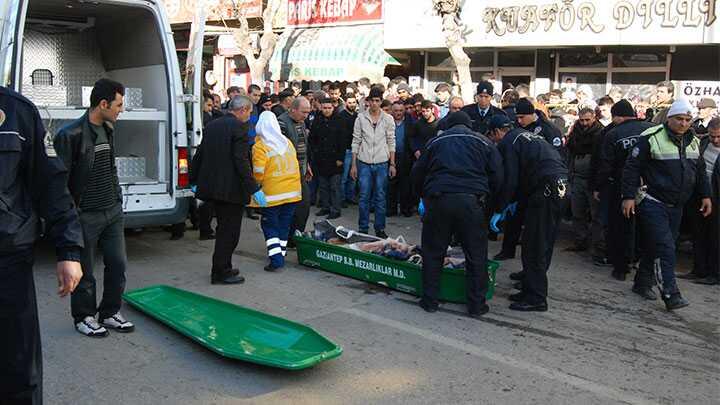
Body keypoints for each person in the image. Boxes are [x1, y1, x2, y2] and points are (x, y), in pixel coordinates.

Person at [0, 86, 84, 404]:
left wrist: (69, 250)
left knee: (19, 371)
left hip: (7, 264)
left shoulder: (16, 111)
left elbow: (51, 184)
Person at [53, 79, 134, 337]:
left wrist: (117, 199)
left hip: (112, 212)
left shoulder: (108, 128)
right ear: (103, 104)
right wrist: (71, 217)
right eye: (118, 105)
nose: (121, 109)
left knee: (117, 265)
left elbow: (109, 167)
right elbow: (61, 184)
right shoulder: (70, 135)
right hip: (85, 215)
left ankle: (109, 312)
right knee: (85, 272)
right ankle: (84, 316)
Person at [622, 99, 712, 310]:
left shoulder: (694, 142)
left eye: (688, 119)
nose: (683, 123)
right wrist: (627, 197)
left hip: (677, 205)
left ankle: (642, 283)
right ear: (669, 118)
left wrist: (706, 196)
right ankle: (671, 293)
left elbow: (699, 173)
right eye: (679, 119)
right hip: (653, 201)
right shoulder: (651, 138)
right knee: (666, 247)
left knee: (658, 245)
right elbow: (631, 168)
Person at [412, 111, 503, 317]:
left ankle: (429, 301)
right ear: (468, 125)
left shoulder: (435, 142)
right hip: (471, 203)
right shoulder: (484, 142)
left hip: (439, 200)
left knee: (434, 252)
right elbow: (498, 175)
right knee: (476, 255)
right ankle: (476, 305)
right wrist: (493, 207)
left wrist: (422, 198)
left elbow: (417, 172)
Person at [487, 114, 569, 312]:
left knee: (534, 244)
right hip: (559, 186)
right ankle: (530, 285)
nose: (494, 141)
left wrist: (499, 208)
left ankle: (536, 297)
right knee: (542, 242)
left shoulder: (509, 141)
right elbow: (526, 175)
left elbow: (511, 180)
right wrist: (516, 202)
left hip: (546, 190)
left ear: (497, 132)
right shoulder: (525, 135)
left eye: (492, 136)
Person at [191, 96, 264, 285]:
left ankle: (224, 266)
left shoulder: (213, 125)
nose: (249, 116)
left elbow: (200, 153)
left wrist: (193, 179)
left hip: (213, 186)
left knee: (224, 229)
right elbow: (241, 161)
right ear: (243, 110)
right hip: (231, 190)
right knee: (229, 233)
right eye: (249, 112)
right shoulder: (239, 127)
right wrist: (254, 188)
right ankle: (221, 271)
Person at [594, 100, 655, 282]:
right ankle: (640, 263)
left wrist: (598, 186)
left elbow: (605, 165)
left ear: (617, 117)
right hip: (650, 186)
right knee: (645, 227)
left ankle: (621, 267)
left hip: (620, 187)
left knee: (620, 227)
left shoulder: (613, 133)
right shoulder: (652, 129)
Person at [250, 112, 302, 271]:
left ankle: (276, 259)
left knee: (270, 226)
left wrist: (255, 186)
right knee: (284, 225)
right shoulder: (286, 142)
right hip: (293, 193)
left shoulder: (260, 146)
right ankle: (282, 252)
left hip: (272, 195)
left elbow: (258, 172)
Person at [350, 87, 396, 238]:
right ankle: (363, 228)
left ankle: (379, 228)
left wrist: (392, 164)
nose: (375, 104)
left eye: (378, 101)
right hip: (364, 163)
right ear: (368, 101)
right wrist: (353, 165)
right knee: (364, 196)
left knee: (380, 196)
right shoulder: (361, 118)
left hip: (382, 163)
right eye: (372, 101)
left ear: (381, 102)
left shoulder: (388, 119)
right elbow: (355, 141)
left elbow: (391, 141)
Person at [680, 118, 720, 285]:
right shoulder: (702, 143)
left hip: (717, 198)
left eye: (718, 137)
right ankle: (699, 269)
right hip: (699, 196)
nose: (715, 140)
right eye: (712, 136)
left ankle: (715, 273)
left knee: (715, 237)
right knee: (698, 233)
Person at [565, 108, 606, 263]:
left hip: (592, 179)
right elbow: (571, 151)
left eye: (587, 120)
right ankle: (580, 241)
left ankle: (598, 248)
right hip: (577, 177)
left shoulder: (601, 133)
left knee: (596, 215)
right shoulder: (576, 131)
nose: (584, 123)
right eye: (582, 120)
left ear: (594, 118)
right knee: (577, 212)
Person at [278, 97, 313, 247]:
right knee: (290, 208)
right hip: (288, 173)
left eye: (308, 112)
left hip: (301, 170)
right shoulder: (282, 123)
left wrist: (307, 165)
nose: (306, 116)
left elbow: (303, 145)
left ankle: (294, 238)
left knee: (304, 205)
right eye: (303, 112)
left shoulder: (301, 121)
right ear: (293, 109)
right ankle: (286, 239)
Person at [308, 98, 345, 219]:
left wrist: (340, 158)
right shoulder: (317, 120)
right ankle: (325, 207)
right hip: (321, 159)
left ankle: (335, 209)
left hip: (335, 159)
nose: (327, 110)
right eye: (325, 108)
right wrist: (314, 153)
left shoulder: (339, 120)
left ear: (333, 108)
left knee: (335, 186)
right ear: (321, 108)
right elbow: (312, 139)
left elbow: (343, 141)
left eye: (329, 108)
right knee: (323, 186)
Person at [387, 101, 413, 217]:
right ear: (392, 111)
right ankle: (391, 209)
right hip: (390, 156)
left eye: (401, 111)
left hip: (405, 156)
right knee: (391, 184)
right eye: (396, 111)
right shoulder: (387, 122)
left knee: (405, 184)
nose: (398, 113)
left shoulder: (410, 122)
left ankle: (405, 209)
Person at [339, 94, 359, 205]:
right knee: (344, 176)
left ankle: (350, 196)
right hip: (346, 150)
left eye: (354, 102)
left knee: (354, 176)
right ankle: (342, 198)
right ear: (346, 103)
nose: (352, 104)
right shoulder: (341, 116)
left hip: (356, 150)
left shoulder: (358, 116)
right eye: (350, 102)